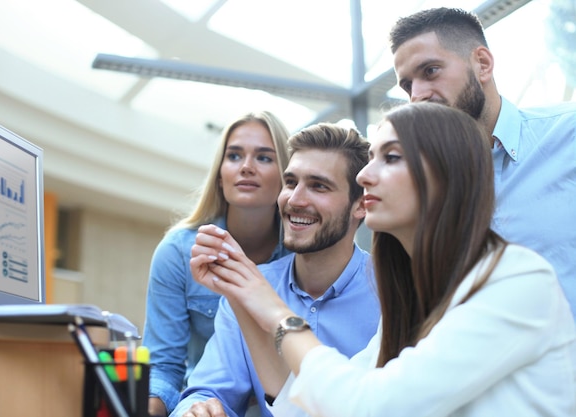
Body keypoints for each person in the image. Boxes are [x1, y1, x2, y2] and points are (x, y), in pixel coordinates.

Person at [190, 102, 576, 416]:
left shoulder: (519, 282)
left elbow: (367, 407)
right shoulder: (413, 303)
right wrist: (243, 293)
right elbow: (305, 409)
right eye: (371, 157)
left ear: (446, 175)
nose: (365, 176)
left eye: (390, 158)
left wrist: (276, 313)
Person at [172, 123, 381, 417]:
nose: (294, 200)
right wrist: (198, 409)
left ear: (360, 204)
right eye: (291, 182)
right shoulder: (249, 287)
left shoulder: (392, 292)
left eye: (319, 186)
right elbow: (210, 389)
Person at [388, 7, 576, 319]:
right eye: (407, 86)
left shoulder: (568, 136)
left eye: (430, 71)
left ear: (483, 64)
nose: (417, 95)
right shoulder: (422, 188)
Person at [142, 111, 293, 417]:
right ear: (220, 174)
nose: (247, 167)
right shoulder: (178, 252)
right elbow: (164, 366)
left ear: (287, 176)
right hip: (205, 406)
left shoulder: (301, 255)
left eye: (264, 158)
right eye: (234, 156)